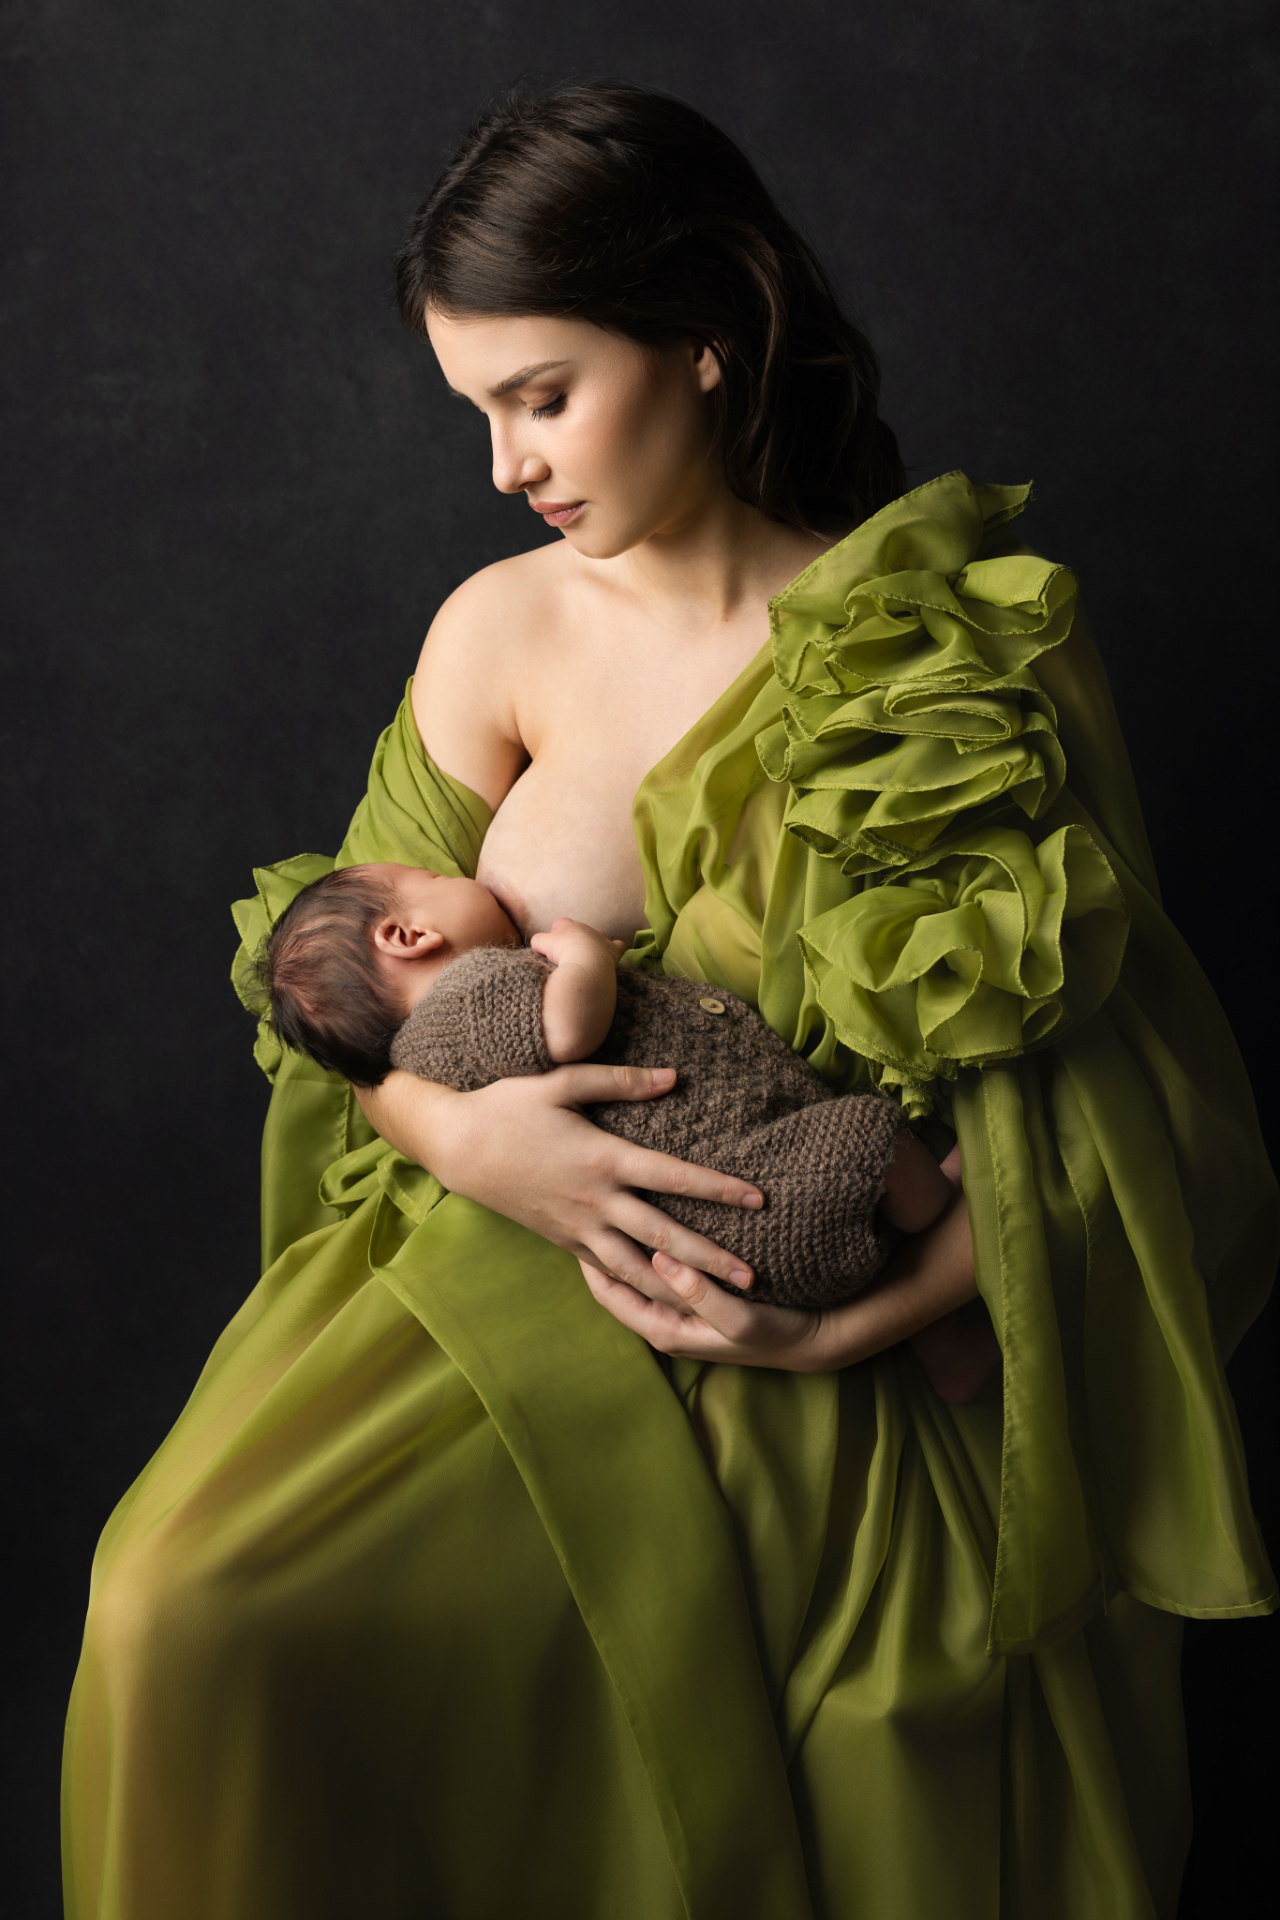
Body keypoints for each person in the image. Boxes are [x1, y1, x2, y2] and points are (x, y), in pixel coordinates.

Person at [62, 83, 1276, 1920]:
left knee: (852, 1735)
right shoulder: (497, 630)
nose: (506, 466)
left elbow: (1124, 1112)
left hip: (828, 1324)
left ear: (703, 338)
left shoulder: (946, 652)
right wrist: (476, 1146)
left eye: (542, 396)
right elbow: (329, 993)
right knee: (182, 1607)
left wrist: (847, 1335)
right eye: (477, 412)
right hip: (497, 1290)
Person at [253, 860, 959, 1315]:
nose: (456, 875)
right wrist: (586, 958)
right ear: (407, 936)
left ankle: (939, 1334)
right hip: (759, 1195)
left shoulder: (424, 1060)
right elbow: (566, 1031)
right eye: (433, 875)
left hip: (722, 1254)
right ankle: (938, 1217)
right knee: (869, 1136)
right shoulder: (469, 991)